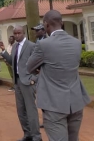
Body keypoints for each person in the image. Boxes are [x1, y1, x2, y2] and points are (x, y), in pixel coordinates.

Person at [26, 10, 90, 141]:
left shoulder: (43, 44)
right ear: (61, 23)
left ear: (46, 25)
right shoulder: (76, 43)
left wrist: (42, 69)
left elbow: (29, 67)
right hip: (76, 101)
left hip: (54, 104)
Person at [0, 26, 41, 141]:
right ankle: (27, 134)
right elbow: (13, 62)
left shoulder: (31, 46)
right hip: (17, 82)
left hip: (28, 82)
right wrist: (3, 50)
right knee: (21, 110)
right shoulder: (15, 46)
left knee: (31, 110)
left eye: (19, 33)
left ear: (24, 33)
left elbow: (39, 65)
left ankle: (36, 136)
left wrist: (34, 78)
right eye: (15, 33)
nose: (17, 35)